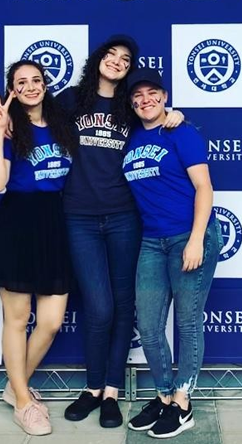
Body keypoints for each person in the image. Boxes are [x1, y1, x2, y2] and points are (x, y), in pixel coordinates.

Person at [58, 35, 184, 428]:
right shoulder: (69, 99)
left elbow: (157, 122)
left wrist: (176, 115)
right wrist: (7, 129)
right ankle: (92, 387)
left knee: (125, 303)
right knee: (98, 306)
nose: (116, 62)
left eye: (125, 59)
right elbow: (36, 123)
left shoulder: (130, 106)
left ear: (130, 69)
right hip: (79, 215)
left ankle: (112, 391)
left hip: (124, 217)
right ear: (98, 59)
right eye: (111, 55)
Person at [122, 68, 223, 439]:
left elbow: (204, 187)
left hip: (188, 237)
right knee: (148, 326)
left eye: (152, 93)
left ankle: (183, 402)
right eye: (138, 96)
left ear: (164, 96)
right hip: (151, 240)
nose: (145, 100)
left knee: (187, 322)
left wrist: (196, 239)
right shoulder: (131, 138)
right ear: (132, 103)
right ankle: (164, 395)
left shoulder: (182, 132)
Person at [0, 60, 75, 435]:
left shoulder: (62, 122)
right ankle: (24, 402)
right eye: (21, 82)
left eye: (36, 80)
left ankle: (14, 386)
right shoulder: (9, 128)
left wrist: (173, 113)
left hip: (55, 222)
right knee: (17, 319)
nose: (31, 87)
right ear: (12, 90)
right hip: (18, 224)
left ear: (45, 84)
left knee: (51, 322)